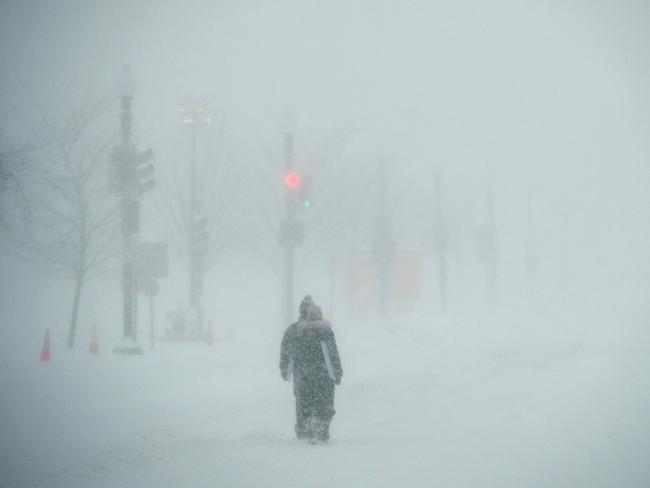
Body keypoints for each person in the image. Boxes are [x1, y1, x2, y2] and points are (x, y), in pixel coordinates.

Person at [280, 301, 343, 444]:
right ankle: (322, 428)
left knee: (304, 404)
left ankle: (305, 428)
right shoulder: (325, 330)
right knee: (325, 402)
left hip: (302, 374)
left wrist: (285, 369)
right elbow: (333, 353)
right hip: (324, 374)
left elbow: (286, 352)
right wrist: (338, 372)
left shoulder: (295, 330)